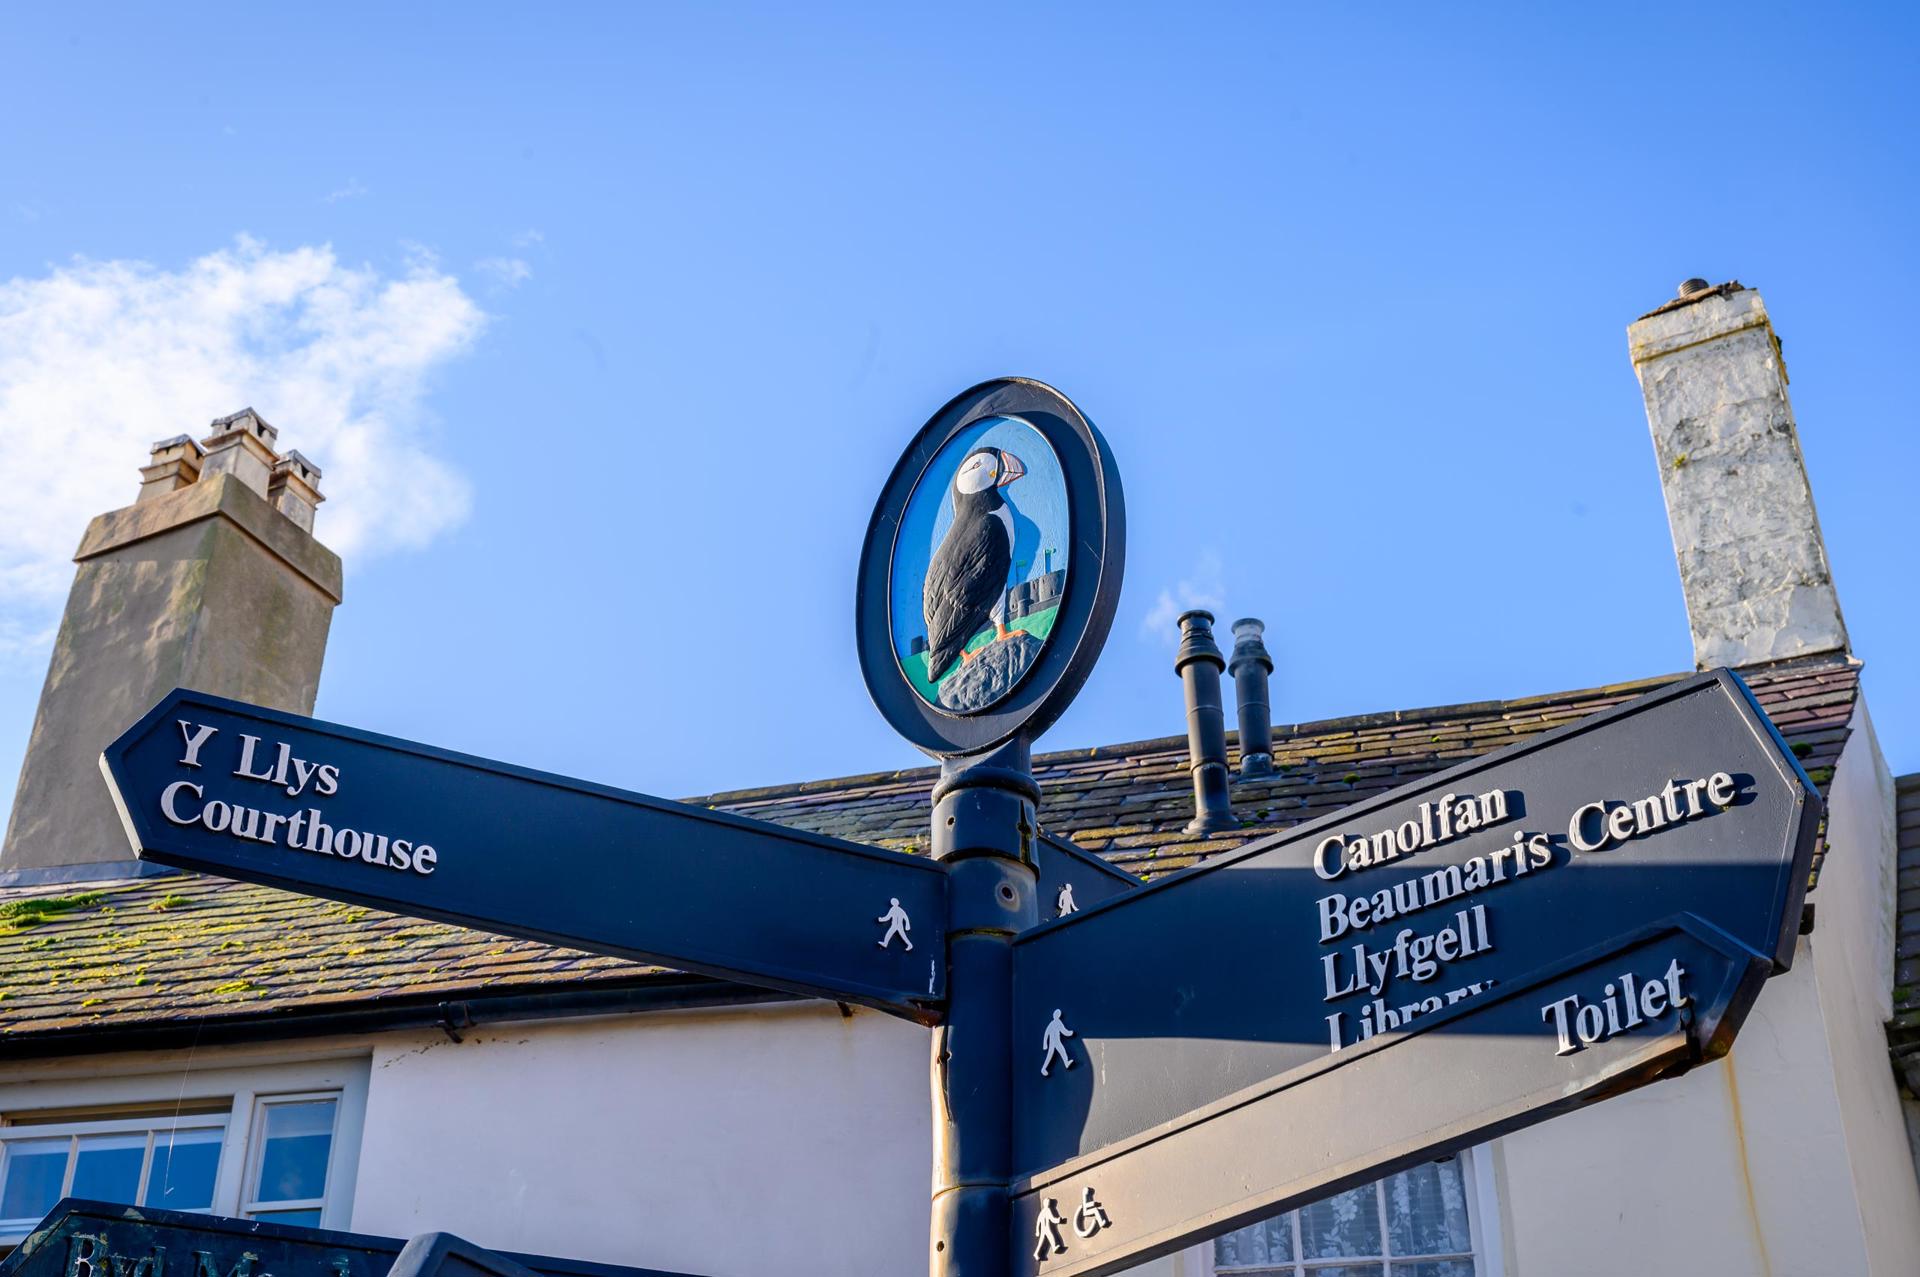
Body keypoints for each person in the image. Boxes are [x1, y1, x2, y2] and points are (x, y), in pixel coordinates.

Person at [1041, 1008, 1075, 1076]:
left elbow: (1063, 1031)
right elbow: (1046, 1034)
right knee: (1050, 1055)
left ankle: (1066, 1063)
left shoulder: (1058, 1022)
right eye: (1056, 1014)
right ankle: (1043, 1069)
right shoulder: (1053, 1023)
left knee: (1062, 1051)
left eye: (1057, 1014)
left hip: (1057, 1041)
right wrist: (1045, 1044)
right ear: (1054, 1015)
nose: (1056, 1015)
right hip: (1053, 1042)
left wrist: (1069, 1033)